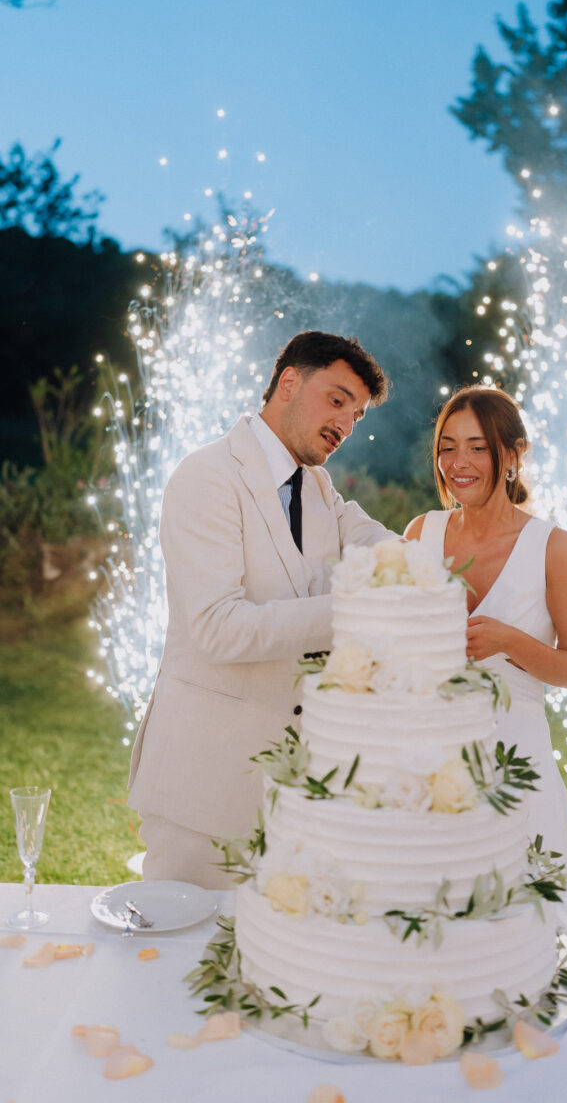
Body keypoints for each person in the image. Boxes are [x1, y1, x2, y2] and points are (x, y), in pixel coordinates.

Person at [129, 331, 397, 888]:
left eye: (358, 414)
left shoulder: (318, 488)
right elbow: (219, 629)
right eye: (338, 398)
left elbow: (381, 544)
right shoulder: (207, 476)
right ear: (289, 382)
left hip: (293, 797)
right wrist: (358, 608)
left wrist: (453, 555)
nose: (347, 424)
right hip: (203, 790)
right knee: (182, 966)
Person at [405, 385, 567, 897]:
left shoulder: (553, 548)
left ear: (512, 454)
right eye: (447, 447)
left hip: (518, 764)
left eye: (477, 446)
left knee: (527, 939)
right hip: (428, 767)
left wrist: (510, 642)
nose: (458, 462)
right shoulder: (419, 534)